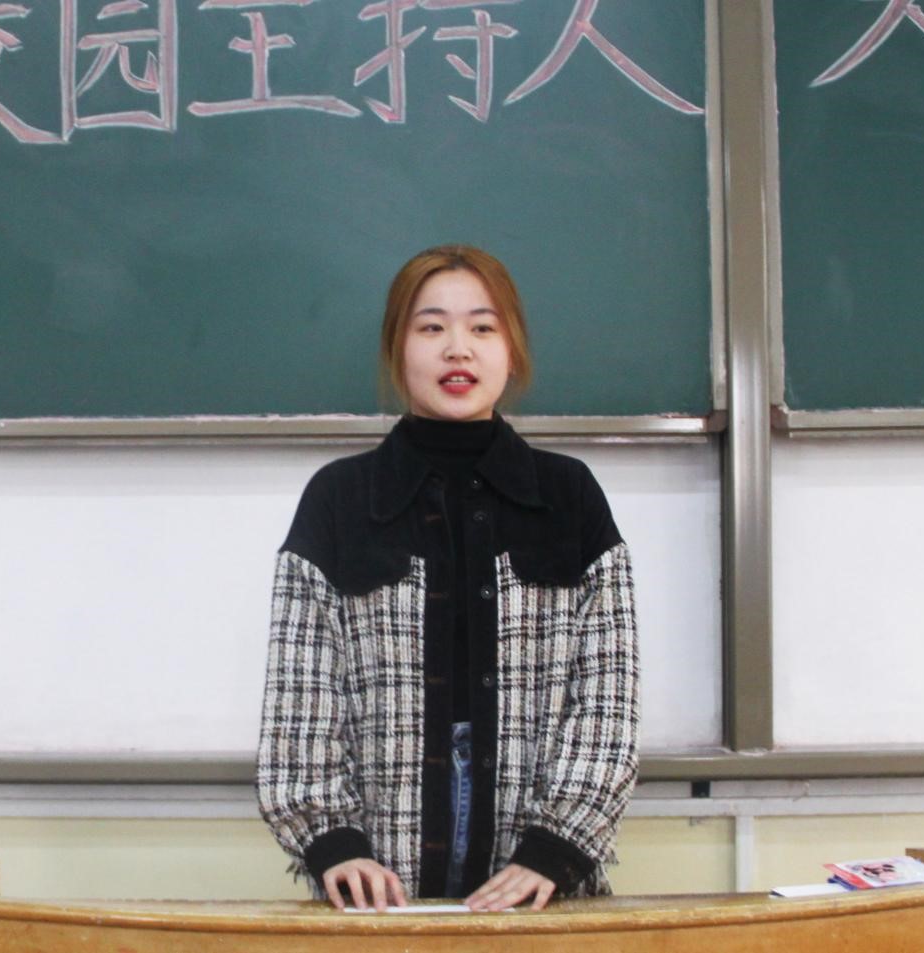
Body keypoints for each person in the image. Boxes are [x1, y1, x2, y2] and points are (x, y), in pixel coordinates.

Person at [256, 245, 639, 913]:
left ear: (512, 351)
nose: (457, 348)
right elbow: (301, 695)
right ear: (397, 349)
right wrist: (333, 842)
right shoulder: (338, 499)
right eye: (431, 326)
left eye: (482, 327)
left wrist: (555, 846)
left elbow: (608, 697)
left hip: (545, 894)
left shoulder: (569, 495)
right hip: (379, 896)